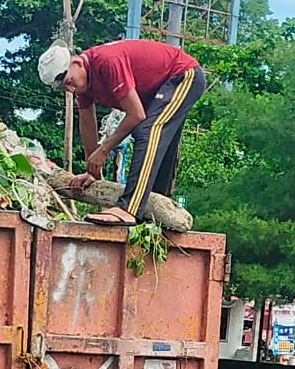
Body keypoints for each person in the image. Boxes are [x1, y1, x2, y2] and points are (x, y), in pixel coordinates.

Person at [37, 38, 205, 227]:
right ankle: (156, 212)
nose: (70, 89)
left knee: (148, 131)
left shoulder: (107, 61)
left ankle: (129, 209)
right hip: (156, 90)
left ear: (76, 63)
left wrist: (104, 150)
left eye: (69, 82)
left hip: (182, 75)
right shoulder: (83, 83)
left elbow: (136, 114)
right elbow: (87, 123)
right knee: (161, 142)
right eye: (64, 88)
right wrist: (91, 169)